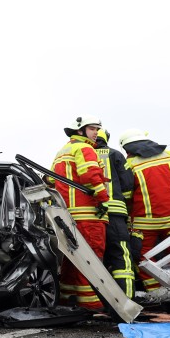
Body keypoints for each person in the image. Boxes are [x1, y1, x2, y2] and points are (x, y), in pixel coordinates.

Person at [118, 129, 170, 294]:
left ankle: (157, 292)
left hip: (146, 224)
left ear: (127, 150)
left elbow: (127, 197)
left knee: (142, 257)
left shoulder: (131, 165)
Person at [50, 116, 111, 311]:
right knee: (92, 256)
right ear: (80, 131)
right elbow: (89, 175)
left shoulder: (61, 152)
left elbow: (51, 181)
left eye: (96, 129)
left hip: (68, 214)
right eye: (92, 129)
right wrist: (103, 198)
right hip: (88, 214)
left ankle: (68, 298)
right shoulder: (84, 148)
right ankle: (90, 303)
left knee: (71, 259)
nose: (96, 132)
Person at [94, 129, 136, 299]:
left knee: (95, 257)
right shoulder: (115, 154)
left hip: (89, 215)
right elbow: (128, 183)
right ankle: (126, 300)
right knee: (121, 256)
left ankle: (99, 300)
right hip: (115, 213)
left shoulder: (82, 154)